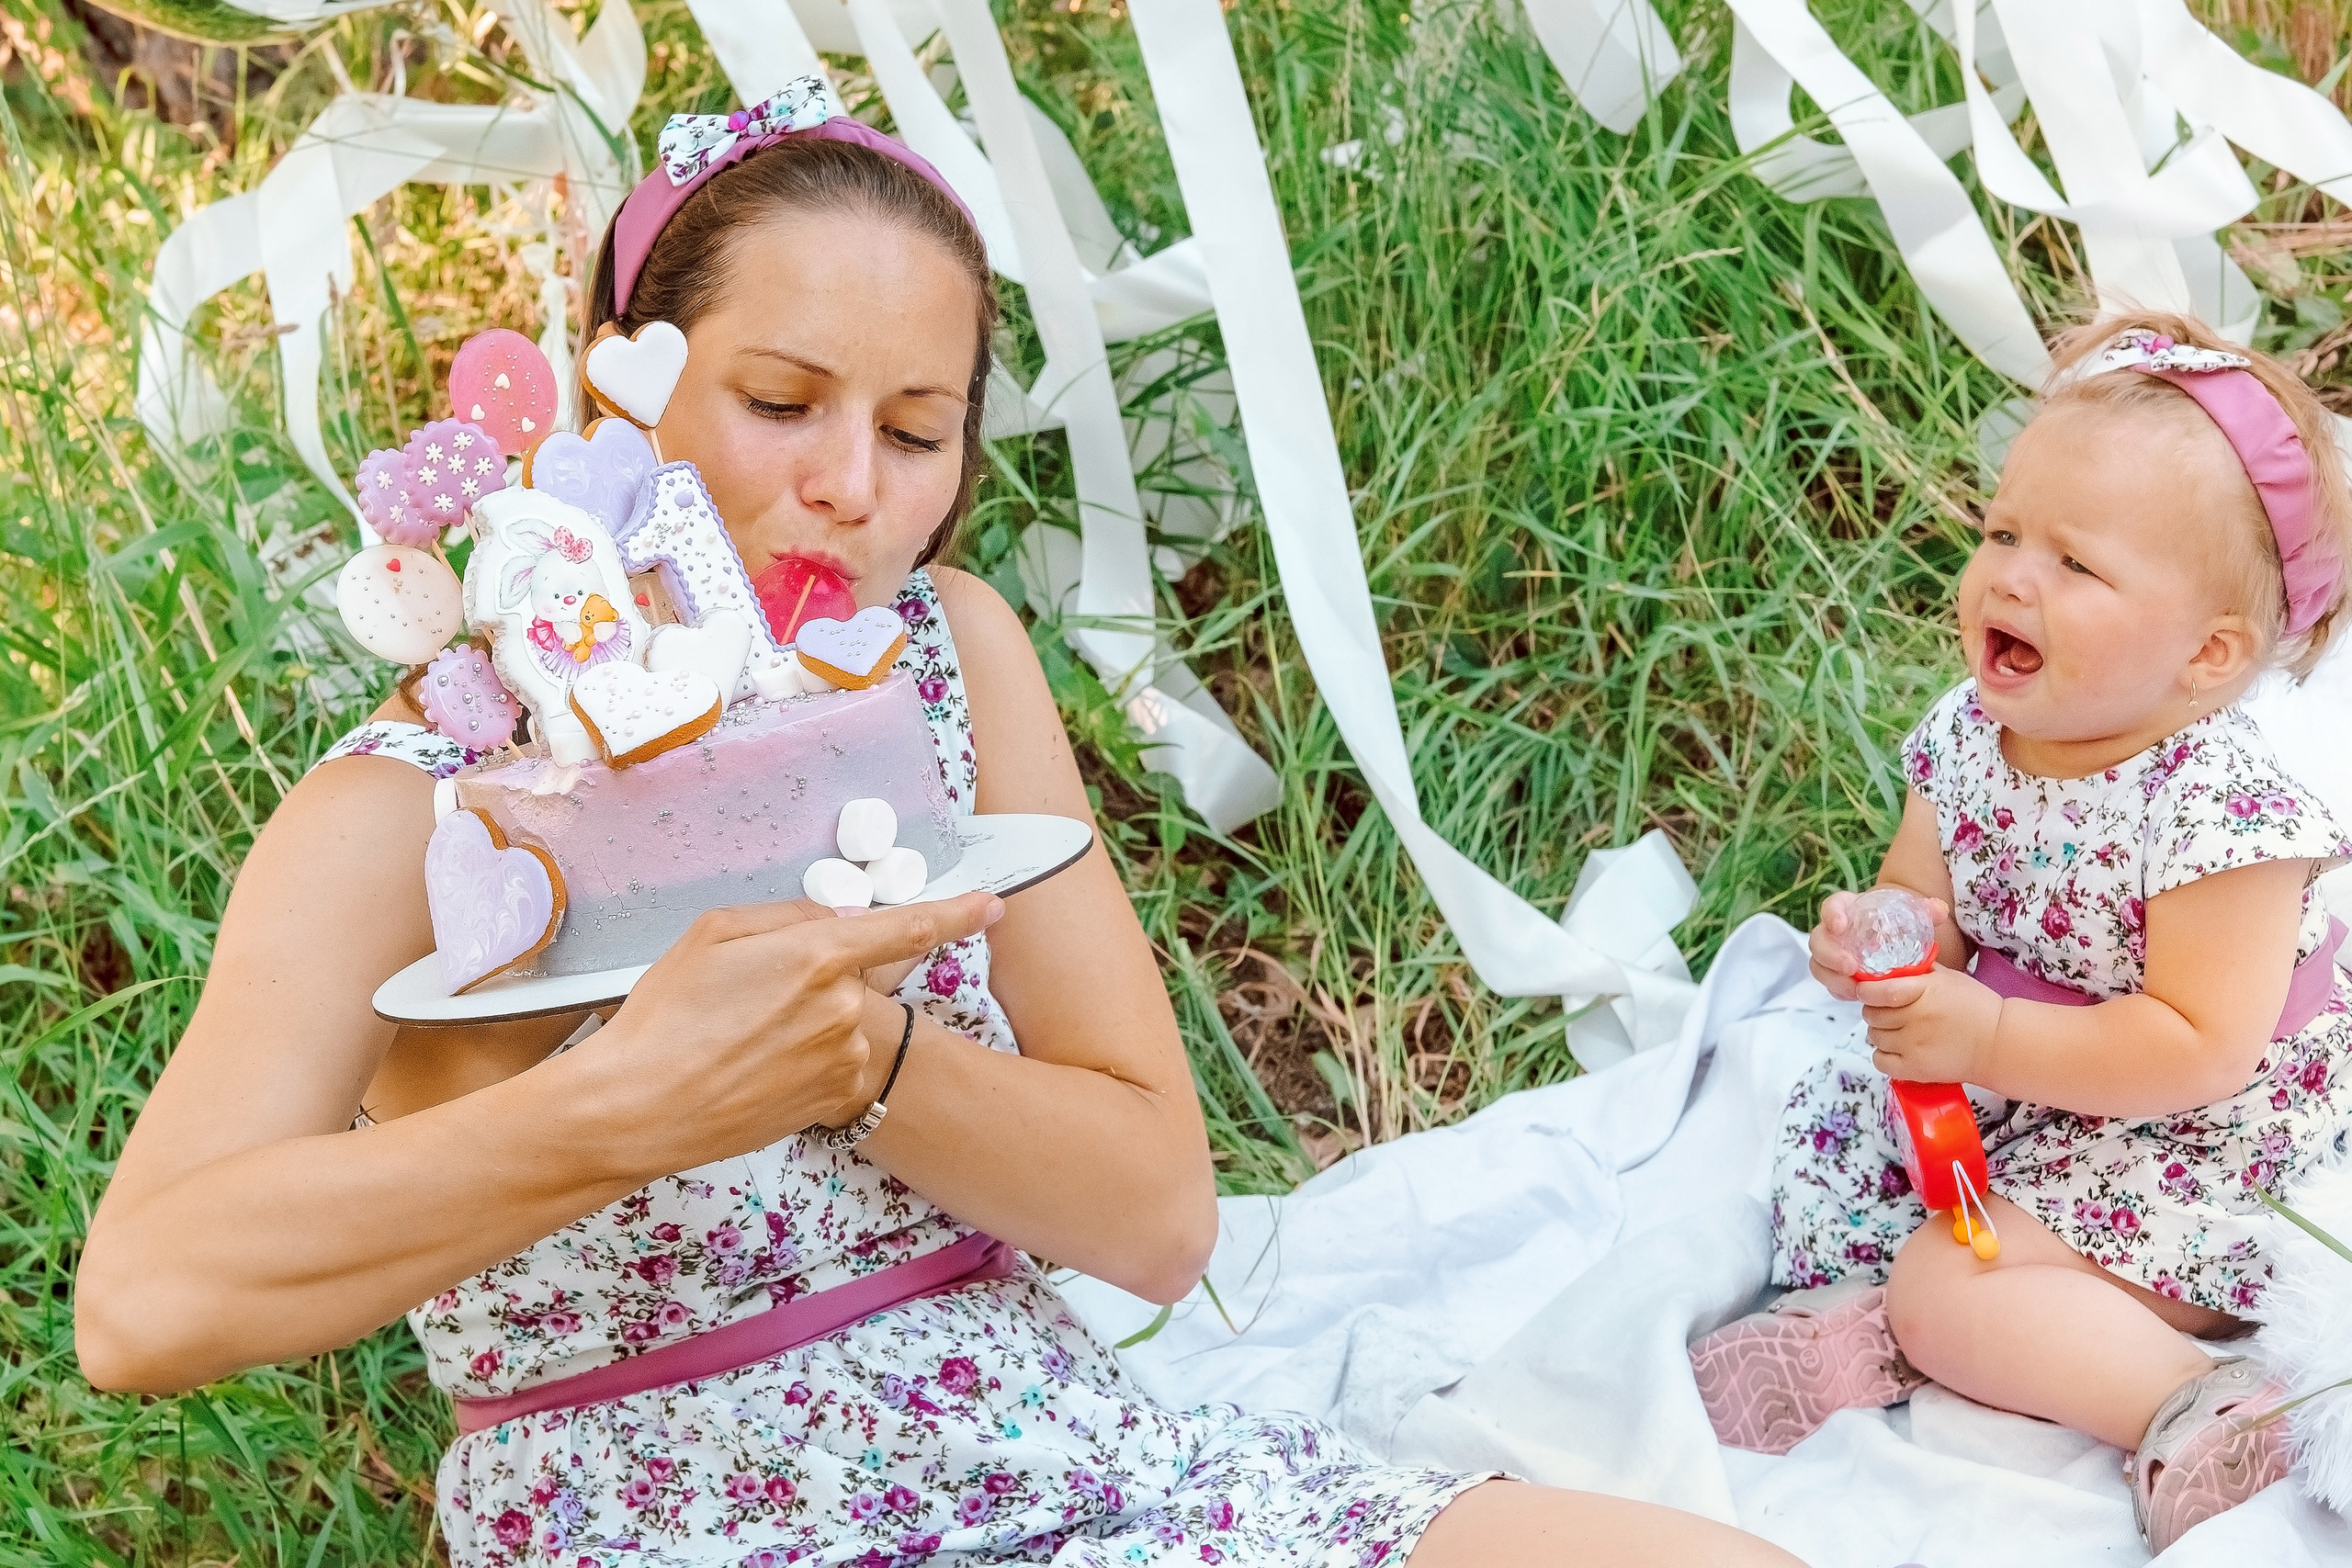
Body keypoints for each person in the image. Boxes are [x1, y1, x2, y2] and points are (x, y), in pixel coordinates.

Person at [76, 80, 1800, 1567]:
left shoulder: (951, 664)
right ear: (621, 389)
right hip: (662, 1516)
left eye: (918, 432)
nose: (851, 487)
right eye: (780, 404)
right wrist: (624, 1107)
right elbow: (144, 1305)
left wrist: (862, 1064)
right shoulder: (428, 794)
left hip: (1074, 1474)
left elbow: (1153, 1217)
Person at [1689, 311, 2352, 1551]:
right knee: (1839, 1146)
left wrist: (1985, 1029)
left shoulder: (2226, 812)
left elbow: (2198, 1048)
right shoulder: (1965, 739)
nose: (2009, 577)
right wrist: (1881, 940)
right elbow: (1929, 912)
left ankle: (2199, 1408)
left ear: (2207, 655)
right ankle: (1887, 1312)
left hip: (2201, 1141)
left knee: (1953, 1284)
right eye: (2003, 533)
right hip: (2030, 1092)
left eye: (2075, 566)